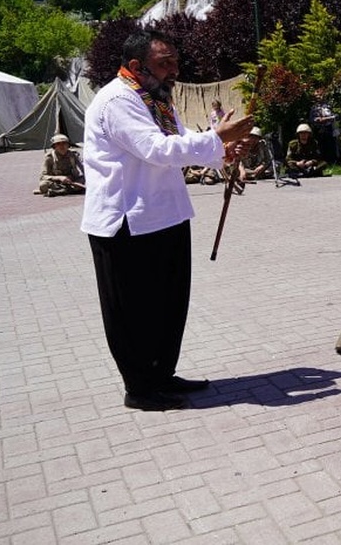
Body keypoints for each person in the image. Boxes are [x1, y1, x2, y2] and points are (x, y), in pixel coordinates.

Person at [81, 29, 254, 411]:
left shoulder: (156, 100)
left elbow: (180, 142)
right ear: (136, 66)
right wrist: (214, 138)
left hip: (166, 214)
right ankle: (140, 388)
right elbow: (155, 148)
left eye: (175, 61)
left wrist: (221, 150)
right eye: (165, 63)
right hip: (126, 220)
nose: (175, 70)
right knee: (133, 309)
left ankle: (161, 373)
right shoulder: (117, 100)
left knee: (168, 303)